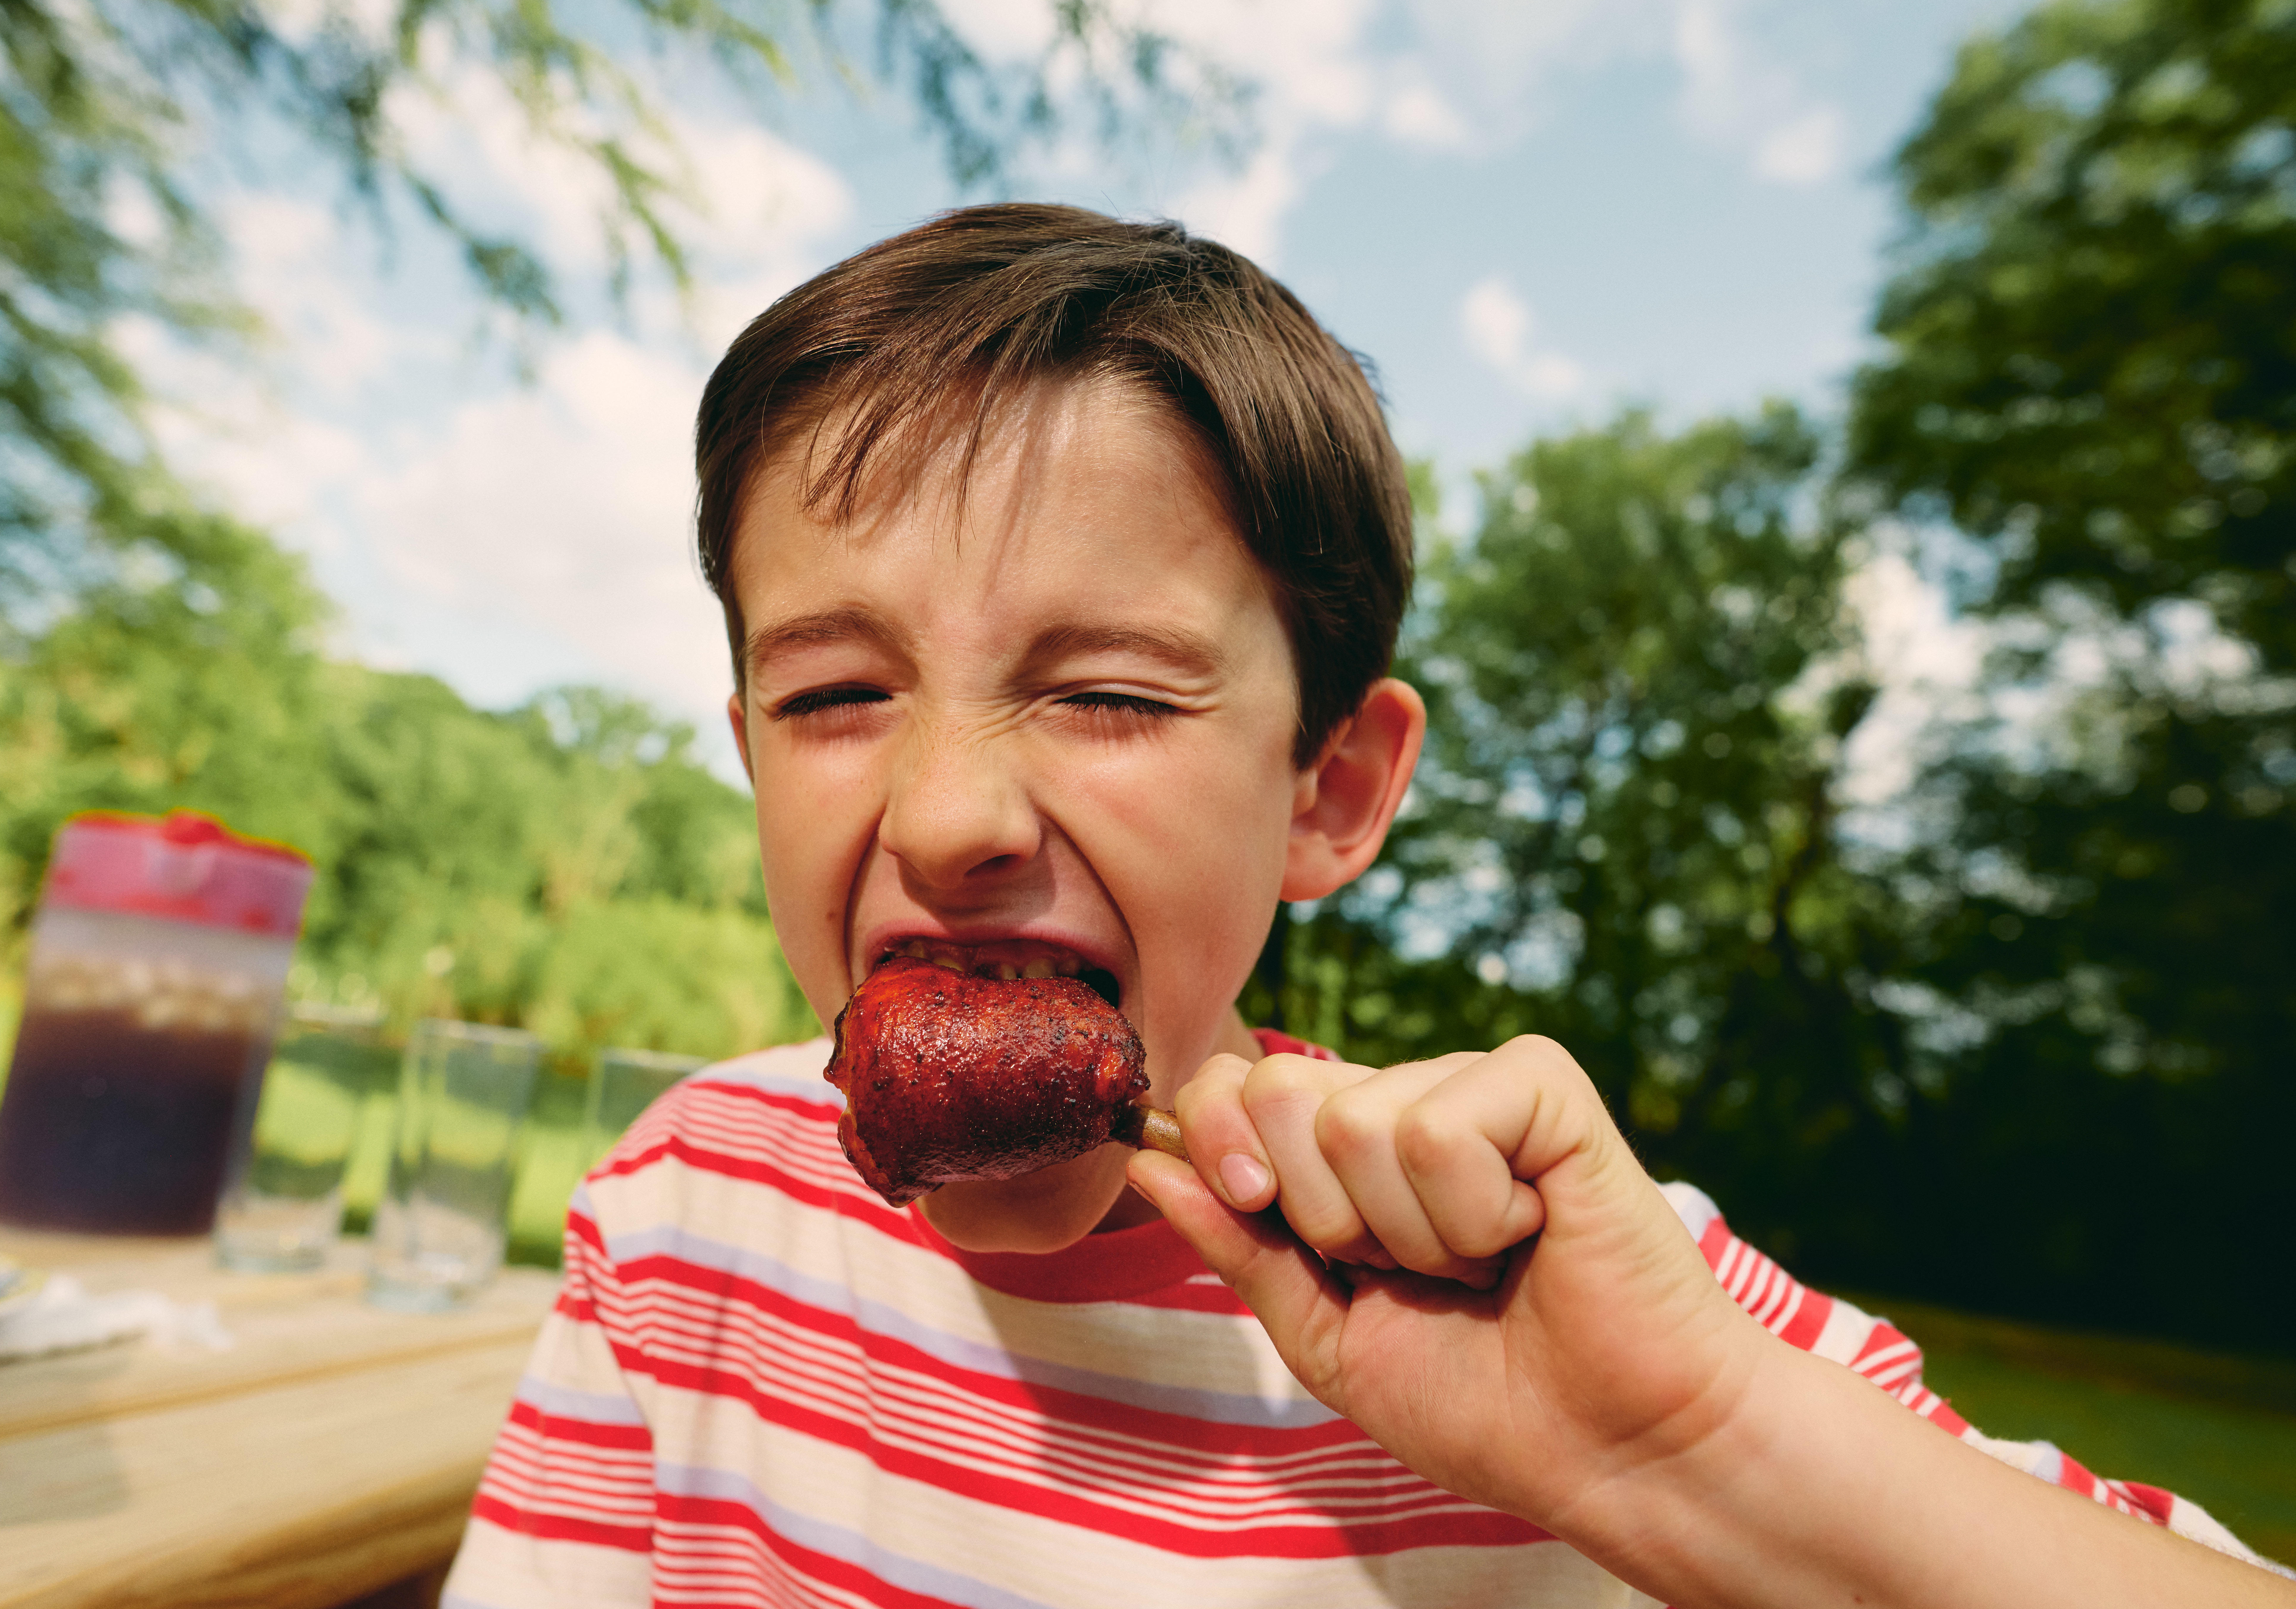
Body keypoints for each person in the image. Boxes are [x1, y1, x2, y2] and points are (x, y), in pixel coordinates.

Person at [441, 204, 2290, 1609]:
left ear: (1328, 789)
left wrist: (1691, 1457)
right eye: (837, 693)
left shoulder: (1562, 1293)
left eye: (1109, 692)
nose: (951, 816)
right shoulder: (681, 1207)